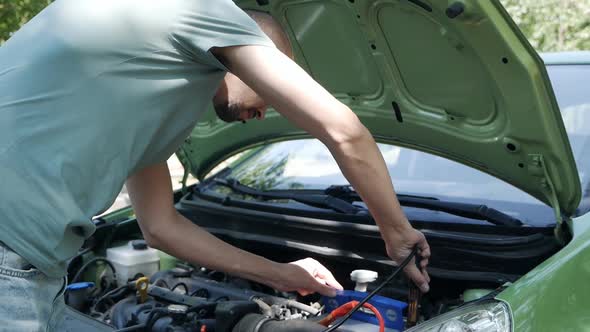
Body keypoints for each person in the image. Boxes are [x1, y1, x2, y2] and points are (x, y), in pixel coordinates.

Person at [0, 0, 430, 330]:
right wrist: (396, 234)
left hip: (37, 276)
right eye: (271, 84)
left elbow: (160, 227)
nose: (266, 110)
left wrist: (281, 274)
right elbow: (343, 130)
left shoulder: (148, 80)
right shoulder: (208, 11)